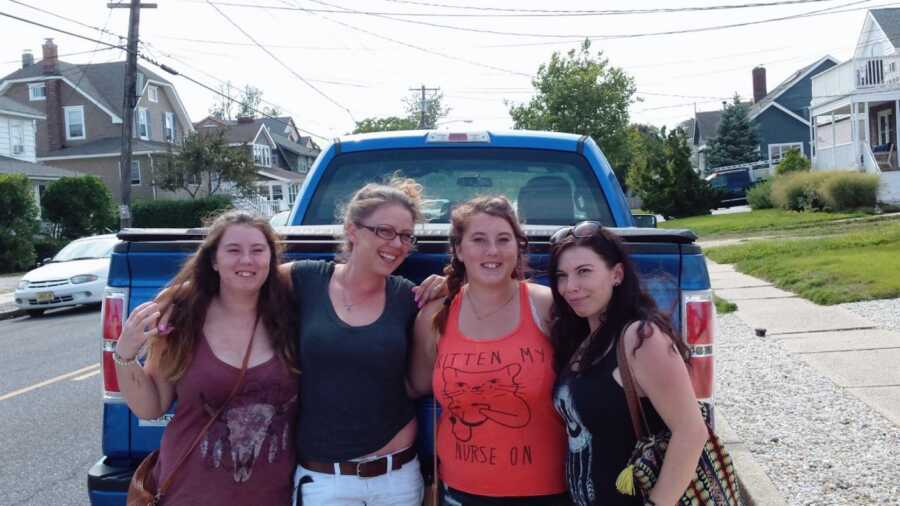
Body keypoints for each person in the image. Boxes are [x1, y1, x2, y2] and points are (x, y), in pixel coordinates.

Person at [114, 210, 299, 504]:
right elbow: (150, 408)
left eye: (258, 250)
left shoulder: (294, 313)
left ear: (271, 259)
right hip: (189, 494)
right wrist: (124, 353)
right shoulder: (184, 313)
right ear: (213, 260)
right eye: (233, 250)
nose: (247, 260)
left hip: (275, 496)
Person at [281, 177, 442, 506]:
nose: (397, 244)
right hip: (324, 481)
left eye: (406, 236)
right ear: (353, 230)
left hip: (397, 480)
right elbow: (239, 279)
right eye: (384, 231)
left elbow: (418, 383)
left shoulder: (408, 297)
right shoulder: (307, 279)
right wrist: (173, 297)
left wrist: (447, 289)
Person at [410, 196, 570, 505]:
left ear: (518, 246)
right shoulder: (434, 315)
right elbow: (414, 386)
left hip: (546, 492)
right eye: (479, 240)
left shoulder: (547, 306)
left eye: (503, 239)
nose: (492, 251)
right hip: (459, 492)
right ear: (459, 249)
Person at [548, 221, 709, 506]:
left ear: (617, 274)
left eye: (584, 272)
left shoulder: (641, 338)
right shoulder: (586, 339)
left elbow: (691, 432)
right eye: (562, 275)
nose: (570, 287)